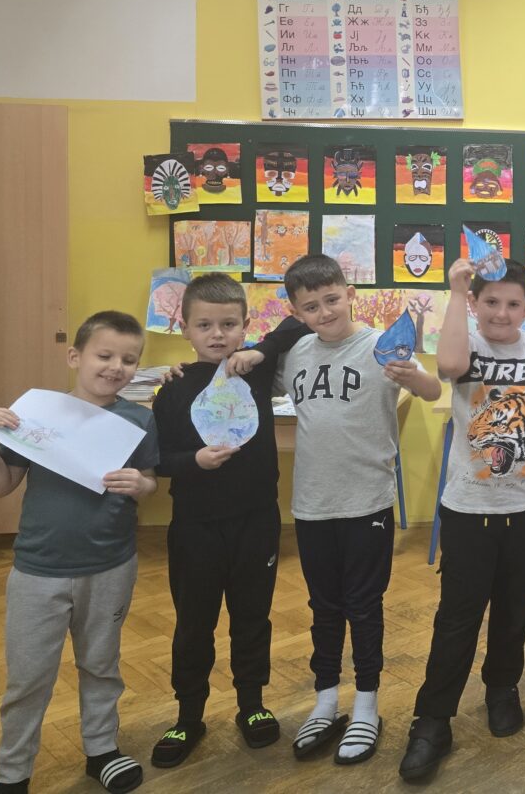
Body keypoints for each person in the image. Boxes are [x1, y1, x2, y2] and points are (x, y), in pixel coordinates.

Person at [231, 254, 440, 767]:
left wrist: (411, 376)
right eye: (311, 306)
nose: (324, 312)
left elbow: (433, 389)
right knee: (323, 608)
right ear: (296, 312)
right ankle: (326, 701)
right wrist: (213, 364)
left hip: (367, 502)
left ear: (349, 294)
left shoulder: (380, 345)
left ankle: (367, 705)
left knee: (364, 607)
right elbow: (246, 381)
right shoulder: (296, 353)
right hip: (312, 504)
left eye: (331, 299)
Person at [399, 257, 525, 783]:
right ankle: (433, 719)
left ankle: (502, 687)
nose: (502, 312)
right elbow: (450, 367)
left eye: (513, 303)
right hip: (470, 506)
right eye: (491, 301)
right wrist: (456, 291)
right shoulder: (467, 342)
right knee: (457, 616)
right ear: (476, 303)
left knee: (515, 607)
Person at [0, 311, 159, 794]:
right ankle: (13, 773)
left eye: (129, 360)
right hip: (38, 569)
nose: (116, 366)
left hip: (111, 566)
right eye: (105, 355)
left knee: (101, 664)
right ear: (76, 357)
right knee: (27, 677)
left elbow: (149, 482)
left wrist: (142, 484)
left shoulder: (139, 419)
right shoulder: (39, 413)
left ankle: (101, 750)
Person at [148, 274, 308, 769]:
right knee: (194, 623)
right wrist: (193, 462)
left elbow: (298, 323)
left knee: (252, 617)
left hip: (256, 522)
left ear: (244, 325)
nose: (217, 334)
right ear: (184, 329)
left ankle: (252, 704)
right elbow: (157, 459)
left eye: (228, 324)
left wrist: (259, 351)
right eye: (204, 325)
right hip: (195, 526)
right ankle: (188, 714)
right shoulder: (173, 388)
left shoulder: (254, 371)